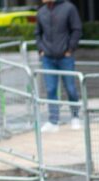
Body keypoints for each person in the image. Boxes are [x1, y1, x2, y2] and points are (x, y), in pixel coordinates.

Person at [34, 0, 83, 133]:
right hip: (48, 58)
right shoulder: (41, 11)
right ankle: (53, 121)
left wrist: (70, 49)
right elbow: (37, 33)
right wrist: (41, 49)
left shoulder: (69, 8)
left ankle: (75, 116)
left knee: (71, 88)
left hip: (65, 57)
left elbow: (77, 29)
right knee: (50, 89)